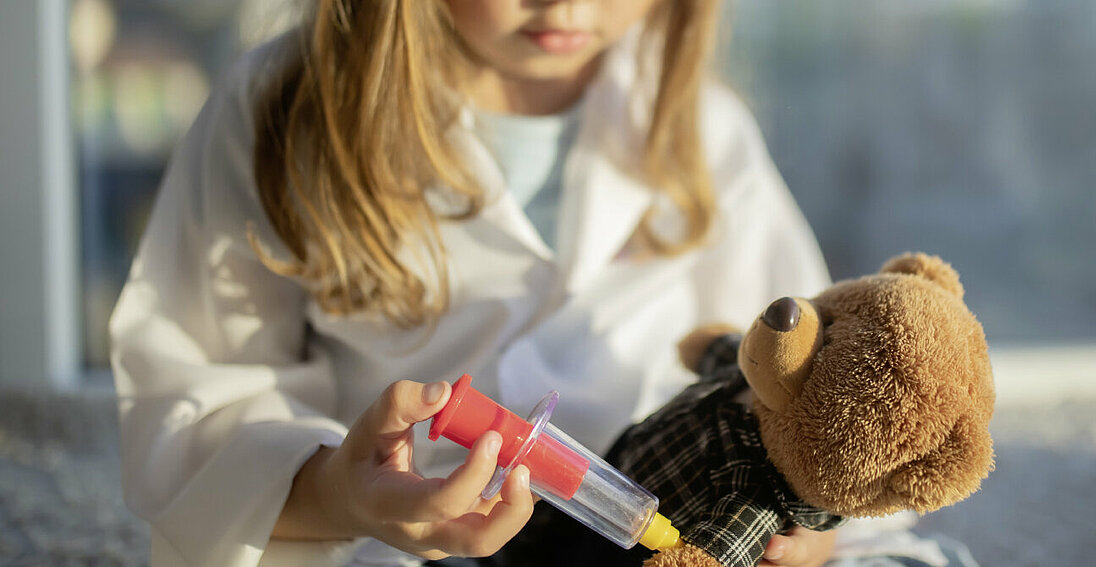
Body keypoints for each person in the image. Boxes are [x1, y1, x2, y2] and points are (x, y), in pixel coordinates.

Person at [110, 1, 838, 566]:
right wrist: (340, 494)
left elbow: (812, 389)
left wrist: (808, 534)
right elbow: (192, 413)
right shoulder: (280, 108)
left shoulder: (706, 130)